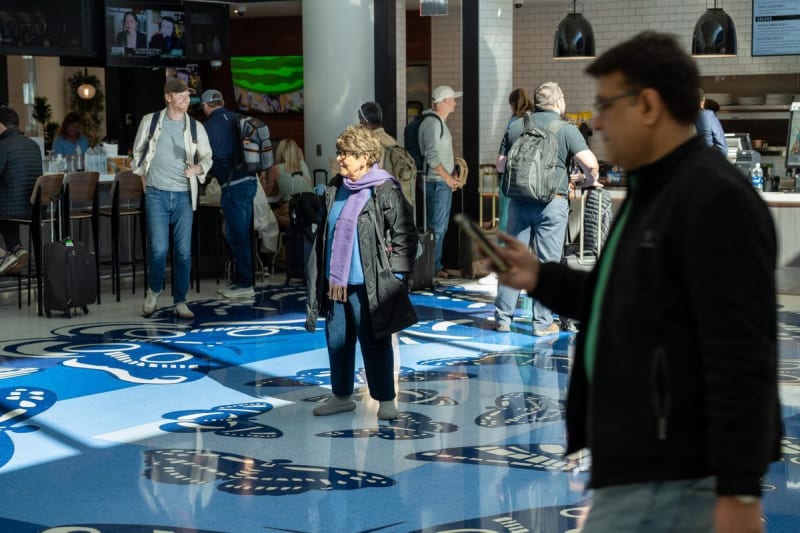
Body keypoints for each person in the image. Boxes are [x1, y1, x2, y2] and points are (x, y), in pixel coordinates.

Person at [485, 31, 781, 533]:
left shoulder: (715, 200)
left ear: (648, 105)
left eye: (605, 104)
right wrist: (538, 277)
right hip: (633, 462)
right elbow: (617, 300)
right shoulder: (653, 190)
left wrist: (737, 493)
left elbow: (743, 356)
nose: (595, 121)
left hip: (679, 474)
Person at [305, 125, 418, 421]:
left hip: (370, 282)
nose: (340, 159)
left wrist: (396, 276)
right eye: (340, 152)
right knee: (338, 342)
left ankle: (386, 400)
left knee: (375, 341)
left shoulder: (384, 188)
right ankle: (341, 395)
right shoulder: (335, 187)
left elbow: (405, 232)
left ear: (366, 157)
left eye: (347, 154)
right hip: (336, 285)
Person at [493, 81, 599, 335]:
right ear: (558, 102)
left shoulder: (518, 125)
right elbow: (591, 164)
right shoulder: (567, 129)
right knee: (547, 262)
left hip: (519, 202)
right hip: (553, 203)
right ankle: (541, 323)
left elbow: (500, 165)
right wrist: (588, 180)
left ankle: (502, 319)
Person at [131, 78, 212, 319]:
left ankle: (180, 300)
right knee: (158, 248)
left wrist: (197, 169)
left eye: (188, 95)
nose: (186, 99)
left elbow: (207, 157)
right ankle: (153, 292)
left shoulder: (196, 127)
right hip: (156, 193)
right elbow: (137, 154)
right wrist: (145, 184)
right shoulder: (151, 121)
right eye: (181, 95)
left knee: (183, 251)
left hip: (185, 195)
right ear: (168, 97)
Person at [201, 89, 260, 300]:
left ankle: (244, 283)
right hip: (251, 182)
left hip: (233, 185)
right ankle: (242, 279)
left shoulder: (208, 127)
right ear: (223, 102)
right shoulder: (239, 118)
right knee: (242, 234)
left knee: (237, 236)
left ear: (206, 106)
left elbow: (210, 160)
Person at [419, 85, 462, 279]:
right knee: (437, 227)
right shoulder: (433, 124)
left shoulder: (437, 122)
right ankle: (433, 267)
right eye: (452, 99)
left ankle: (435, 265)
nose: (455, 103)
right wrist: (448, 178)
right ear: (443, 102)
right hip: (436, 182)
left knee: (439, 227)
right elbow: (431, 155)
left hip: (439, 182)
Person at [0, 107, 41, 275]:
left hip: (11, 209)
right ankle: (17, 249)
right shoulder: (34, 146)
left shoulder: (3, 146)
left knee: (4, 211)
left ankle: (3, 256)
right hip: (34, 208)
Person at [264, 138, 313, 229]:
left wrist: (262, 177)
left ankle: (272, 243)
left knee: (268, 217)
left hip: (291, 212)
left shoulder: (275, 169)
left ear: (279, 152)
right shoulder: (303, 164)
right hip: (310, 211)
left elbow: (267, 194)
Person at [696, 89, 729, 156]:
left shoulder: (675, 119)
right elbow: (722, 149)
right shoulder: (708, 116)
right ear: (703, 101)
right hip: (705, 160)